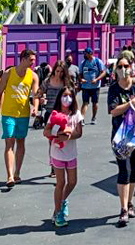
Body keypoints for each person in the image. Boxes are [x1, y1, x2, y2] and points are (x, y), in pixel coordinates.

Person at [108, 54, 135, 227]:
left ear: (131, 67)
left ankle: (130, 202)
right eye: (119, 67)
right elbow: (114, 110)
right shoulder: (114, 89)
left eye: (125, 66)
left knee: (133, 169)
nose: (123, 69)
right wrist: (132, 102)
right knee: (124, 170)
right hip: (121, 135)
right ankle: (123, 209)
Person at [0, 48, 40, 188]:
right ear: (23, 59)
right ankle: (10, 176)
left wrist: (35, 107)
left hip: (23, 114)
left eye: (34, 60)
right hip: (8, 113)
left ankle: (17, 172)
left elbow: (35, 95)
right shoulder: (8, 73)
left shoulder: (33, 76)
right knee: (9, 142)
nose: (33, 63)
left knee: (21, 142)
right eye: (31, 60)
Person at [44, 86, 83, 228]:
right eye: (64, 95)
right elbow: (46, 132)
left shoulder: (76, 114)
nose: (67, 98)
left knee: (72, 181)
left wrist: (68, 136)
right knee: (60, 182)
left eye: (70, 96)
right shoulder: (54, 114)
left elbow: (79, 133)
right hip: (57, 153)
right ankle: (58, 212)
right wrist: (57, 134)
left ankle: (62, 201)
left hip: (71, 153)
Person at [40, 61, 71, 177]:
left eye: (62, 72)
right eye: (57, 71)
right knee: (52, 141)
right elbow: (39, 92)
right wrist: (41, 99)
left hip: (63, 115)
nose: (59, 74)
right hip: (51, 115)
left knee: (63, 139)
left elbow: (71, 95)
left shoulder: (66, 82)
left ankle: (62, 164)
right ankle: (54, 166)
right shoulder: (48, 81)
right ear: (54, 70)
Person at [79, 47, 106, 125]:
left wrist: (97, 79)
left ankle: (94, 117)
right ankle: (82, 118)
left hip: (95, 86)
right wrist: (81, 79)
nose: (85, 55)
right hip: (85, 86)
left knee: (95, 103)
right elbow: (80, 74)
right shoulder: (83, 63)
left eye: (86, 54)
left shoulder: (97, 62)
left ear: (90, 54)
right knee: (85, 102)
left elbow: (103, 72)